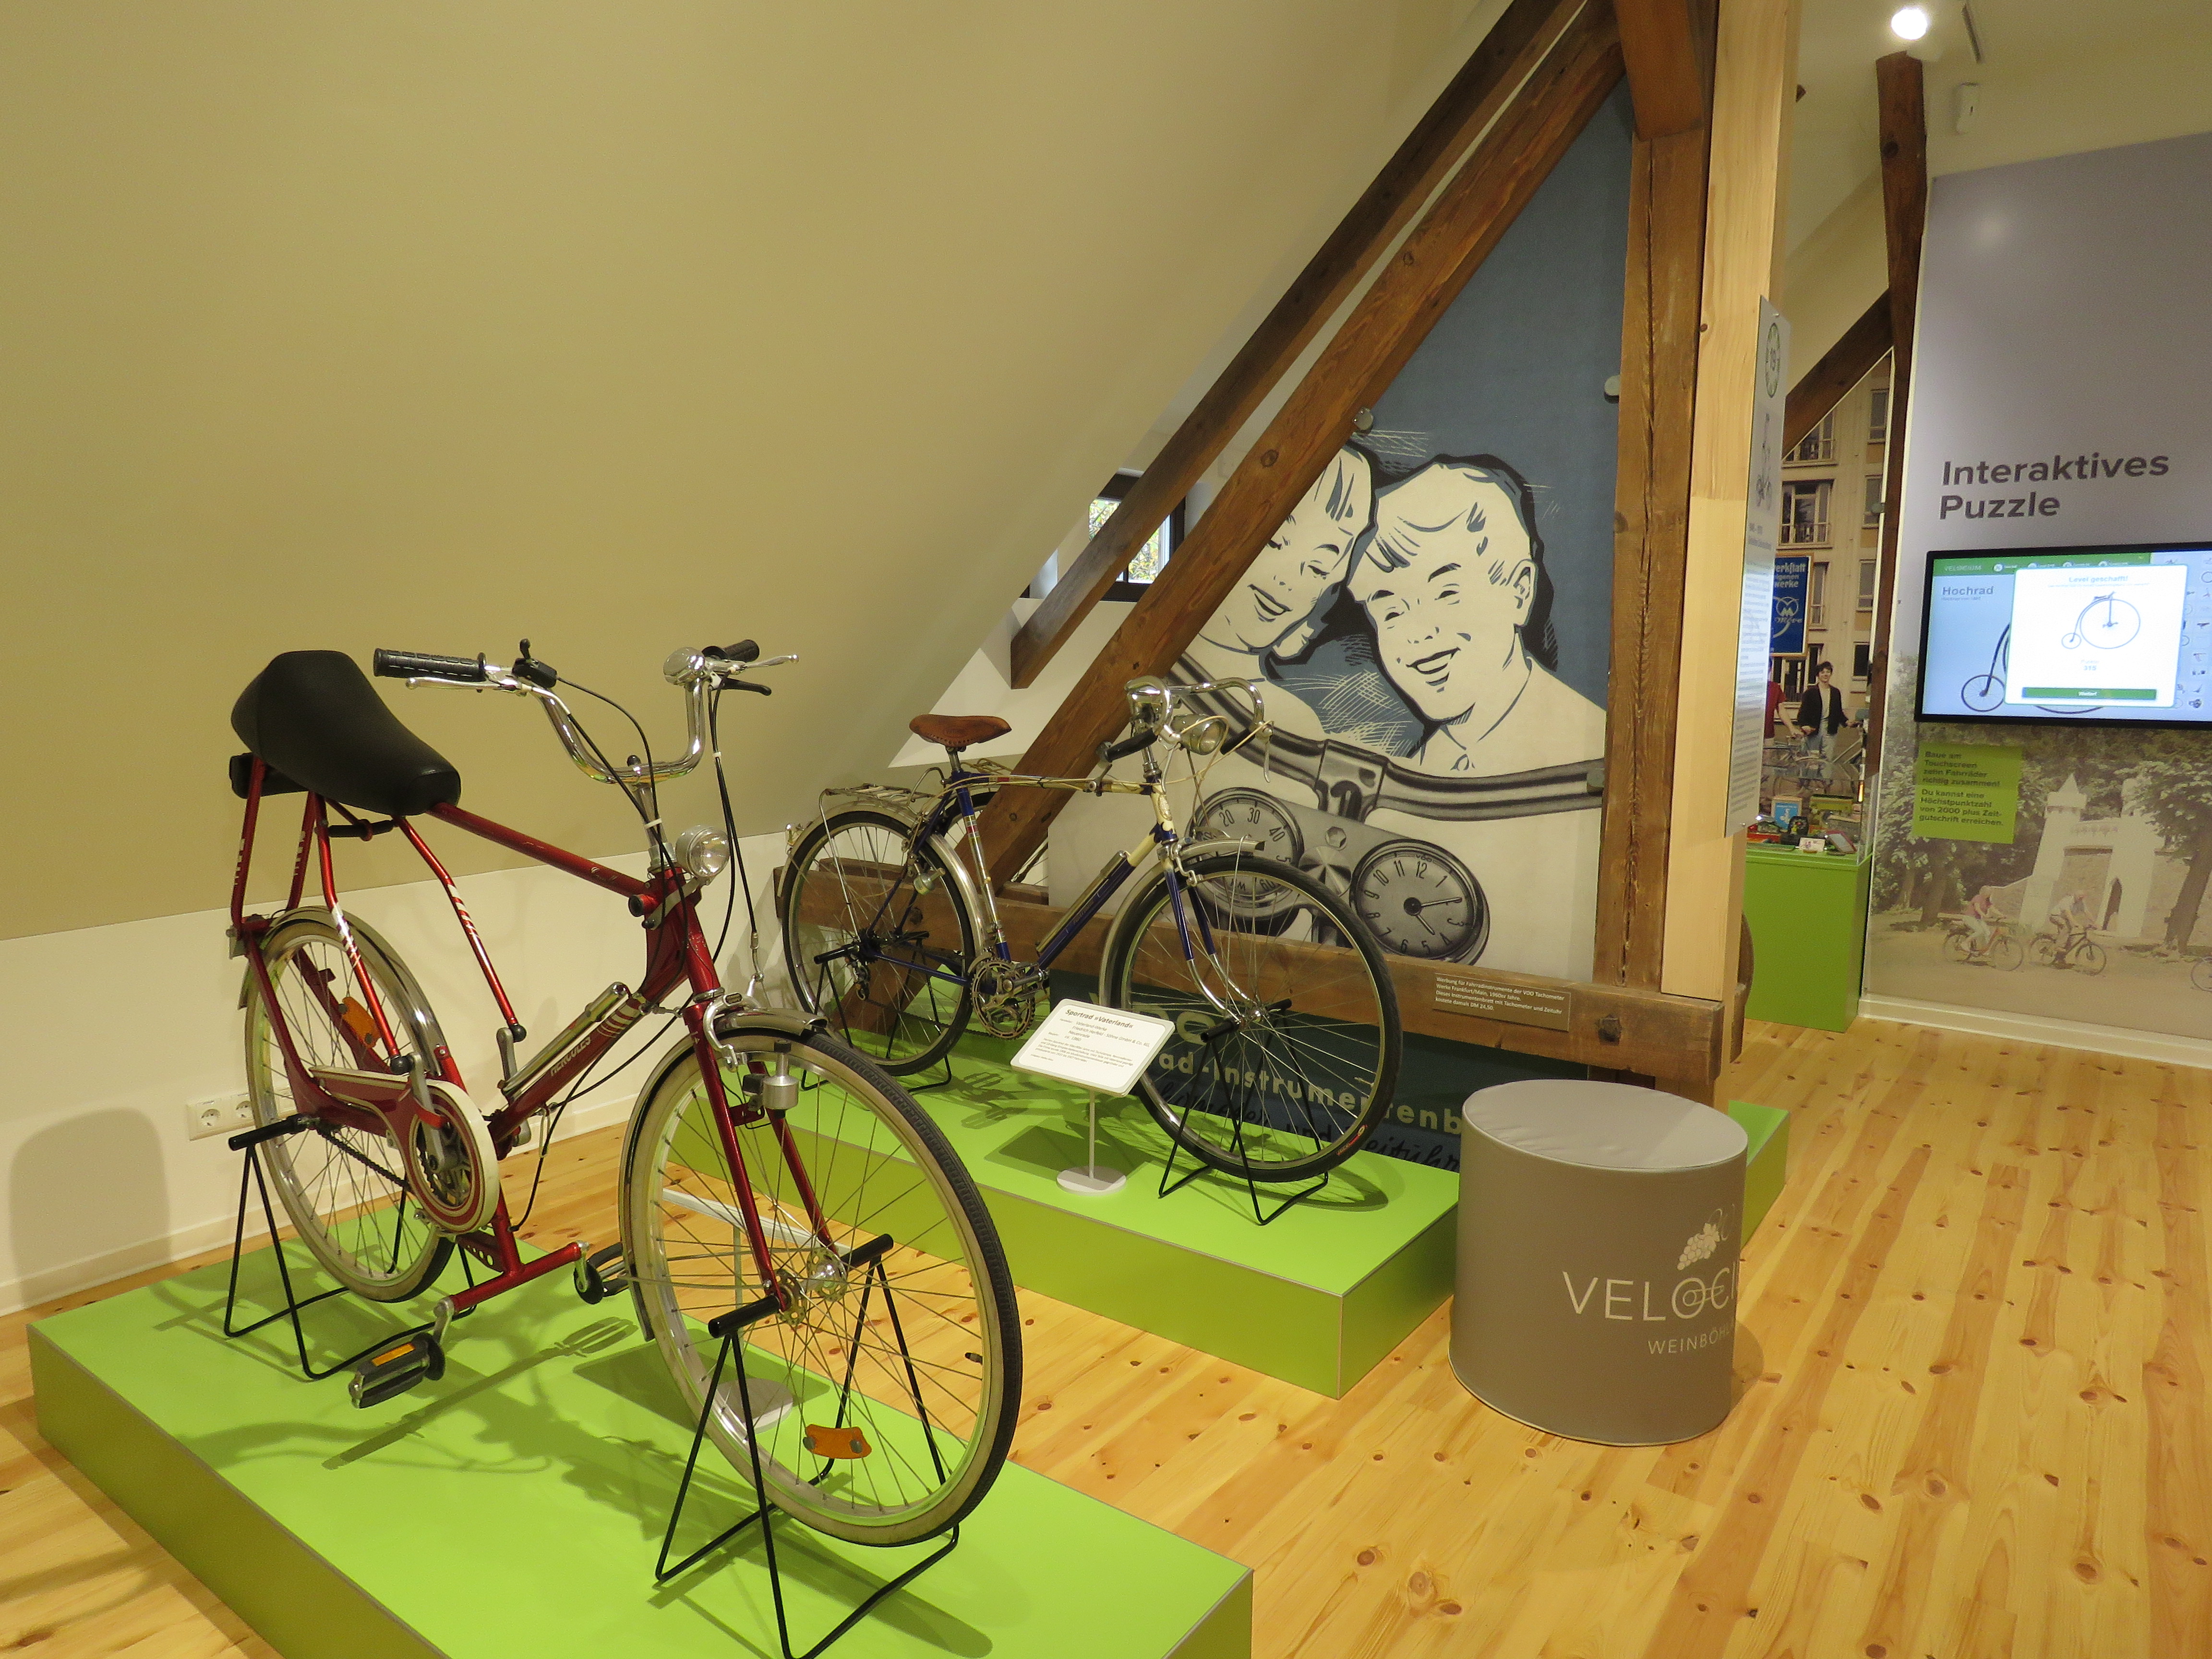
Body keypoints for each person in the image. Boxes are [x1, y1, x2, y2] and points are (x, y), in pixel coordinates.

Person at [1346, 455, 1605, 774]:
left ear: (1519, 590)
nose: (1417, 633)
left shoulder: (1589, 750)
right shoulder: (1418, 770)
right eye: (1391, 612)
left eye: (1446, 594)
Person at [1796, 661, 1847, 754]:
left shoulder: (1835, 692)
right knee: (1812, 757)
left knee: (1827, 758)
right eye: (1822, 672)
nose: (1825, 675)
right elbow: (1803, 712)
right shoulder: (1810, 692)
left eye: (1828, 672)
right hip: (1814, 730)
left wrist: (1846, 722)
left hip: (1830, 730)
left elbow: (1838, 712)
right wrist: (1804, 725)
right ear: (1818, 675)